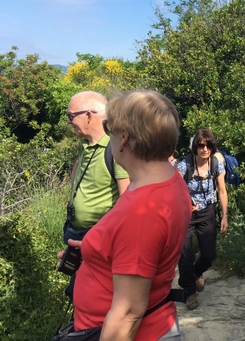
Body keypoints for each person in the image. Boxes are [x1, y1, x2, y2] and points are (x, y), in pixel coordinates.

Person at [64, 89, 192, 340]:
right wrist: (95, 251)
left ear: (123, 137)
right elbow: (140, 250)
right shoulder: (167, 178)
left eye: (108, 128)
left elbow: (128, 313)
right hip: (155, 318)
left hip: (136, 331)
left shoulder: (143, 211)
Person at [64, 91, 130, 244]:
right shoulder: (86, 144)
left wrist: (102, 239)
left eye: (71, 116)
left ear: (88, 115)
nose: (69, 122)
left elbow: (126, 200)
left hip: (97, 236)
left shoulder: (114, 148)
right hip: (75, 231)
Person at [176, 129, 229, 309]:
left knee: (209, 254)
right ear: (195, 147)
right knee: (185, 254)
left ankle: (197, 272)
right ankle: (190, 292)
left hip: (207, 211)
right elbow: (174, 189)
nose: (204, 149)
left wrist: (225, 215)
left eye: (207, 145)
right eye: (200, 145)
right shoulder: (184, 165)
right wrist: (186, 203)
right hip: (186, 214)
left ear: (212, 147)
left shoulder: (216, 165)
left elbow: (222, 190)